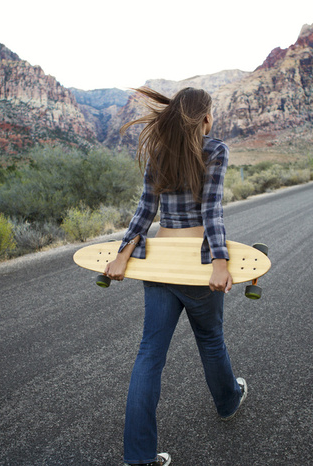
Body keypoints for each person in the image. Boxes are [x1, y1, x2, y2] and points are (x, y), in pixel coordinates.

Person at [104, 87, 247, 466]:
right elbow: (211, 210)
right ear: (205, 119)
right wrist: (220, 260)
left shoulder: (159, 150)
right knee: (211, 339)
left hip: (161, 261)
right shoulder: (215, 149)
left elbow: (145, 210)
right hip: (196, 264)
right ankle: (228, 401)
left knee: (149, 354)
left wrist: (123, 253)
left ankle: (139, 459)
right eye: (210, 115)